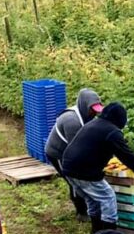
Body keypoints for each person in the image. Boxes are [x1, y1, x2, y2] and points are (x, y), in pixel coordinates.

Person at [62, 102, 134, 234]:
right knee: (108, 198)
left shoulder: (93, 124)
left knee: (92, 199)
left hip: (68, 167)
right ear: (120, 119)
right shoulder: (112, 132)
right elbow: (127, 156)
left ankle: (96, 233)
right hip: (84, 170)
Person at [45, 88, 104, 221]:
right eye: (92, 110)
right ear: (84, 105)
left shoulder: (87, 115)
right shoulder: (71, 121)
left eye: (97, 110)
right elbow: (78, 150)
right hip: (58, 152)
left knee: (80, 177)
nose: (94, 113)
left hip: (71, 150)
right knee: (74, 179)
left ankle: (87, 207)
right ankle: (81, 212)